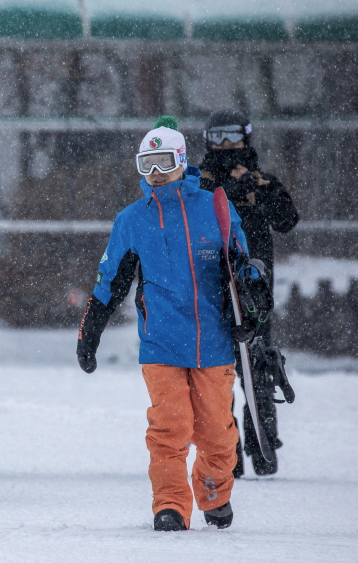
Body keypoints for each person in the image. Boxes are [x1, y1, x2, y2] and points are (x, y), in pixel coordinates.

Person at [76, 117, 254, 531]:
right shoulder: (132, 219)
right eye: (146, 164)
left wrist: (253, 311)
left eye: (162, 162)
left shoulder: (215, 207)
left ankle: (213, 493)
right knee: (169, 428)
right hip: (160, 343)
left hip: (214, 341)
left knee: (217, 433)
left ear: (181, 160)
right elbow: (110, 282)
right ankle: (170, 506)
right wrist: (90, 333)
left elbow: (245, 273)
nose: (154, 173)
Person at [198, 109, 299, 477]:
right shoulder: (199, 185)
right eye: (218, 137)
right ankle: (228, 447)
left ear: (247, 138)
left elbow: (287, 220)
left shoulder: (262, 182)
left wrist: (257, 189)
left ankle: (263, 441)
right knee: (215, 370)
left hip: (255, 290)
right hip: (211, 286)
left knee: (257, 364)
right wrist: (218, 193)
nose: (226, 146)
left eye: (233, 137)